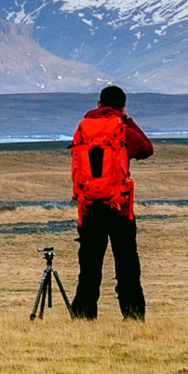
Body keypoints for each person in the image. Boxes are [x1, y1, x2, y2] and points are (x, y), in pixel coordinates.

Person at [68, 84, 153, 320]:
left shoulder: (83, 128)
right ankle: (133, 316)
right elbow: (146, 149)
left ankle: (84, 316)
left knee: (89, 269)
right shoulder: (122, 128)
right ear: (123, 107)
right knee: (127, 268)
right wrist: (126, 120)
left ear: (98, 105)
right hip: (119, 209)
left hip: (88, 209)